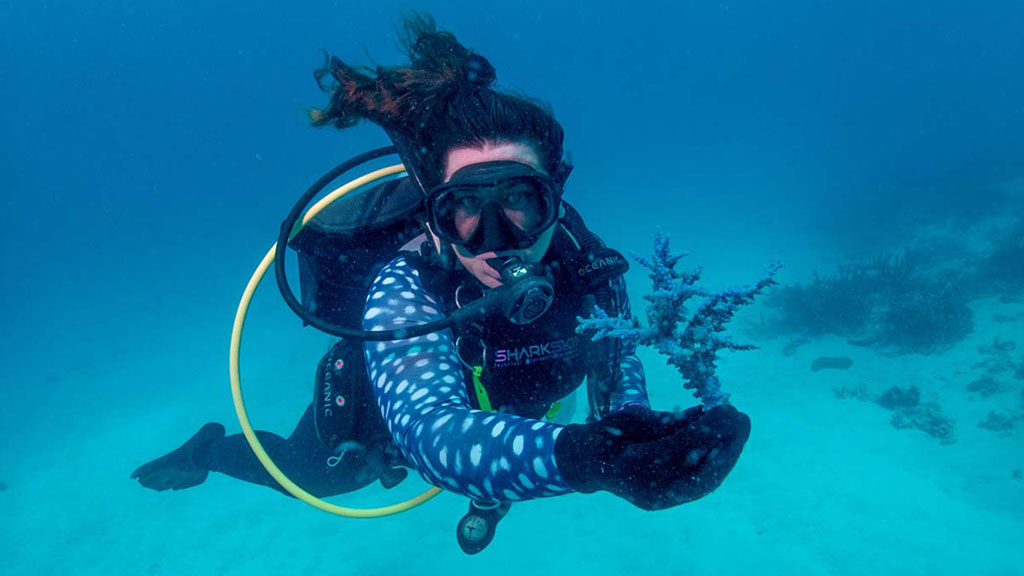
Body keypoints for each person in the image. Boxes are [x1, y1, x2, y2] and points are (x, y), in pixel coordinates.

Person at [132, 15, 751, 555]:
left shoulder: (588, 271)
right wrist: (596, 459)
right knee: (309, 474)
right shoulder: (407, 284)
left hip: (520, 422)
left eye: (519, 201)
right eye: (464, 209)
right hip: (391, 415)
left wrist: (647, 441)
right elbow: (431, 434)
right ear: (435, 212)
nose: (494, 238)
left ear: (556, 198)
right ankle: (207, 451)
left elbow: (617, 389)